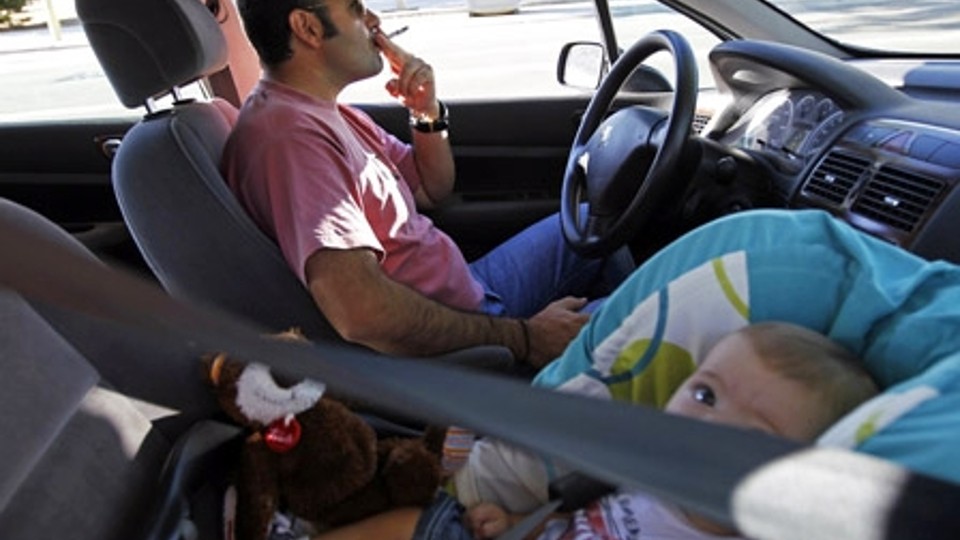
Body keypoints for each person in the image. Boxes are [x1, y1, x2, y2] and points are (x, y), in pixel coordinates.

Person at [221, 0, 634, 368]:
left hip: (471, 289)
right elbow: (361, 311)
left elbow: (432, 189)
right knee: (664, 319)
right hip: (461, 342)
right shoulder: (291, 140)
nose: (373, 20)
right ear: (308, 27)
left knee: (594, 218)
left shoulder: (325, 113)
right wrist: (525, 337)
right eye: (355, 7)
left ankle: (590, 384)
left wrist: (425, 110)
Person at [309, 321, 879, 539]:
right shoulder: (644, 476)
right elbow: (577, 519)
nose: (706, 423)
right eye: (704, 393)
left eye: (750, 436)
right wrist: (514, 523)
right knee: (420, 524)